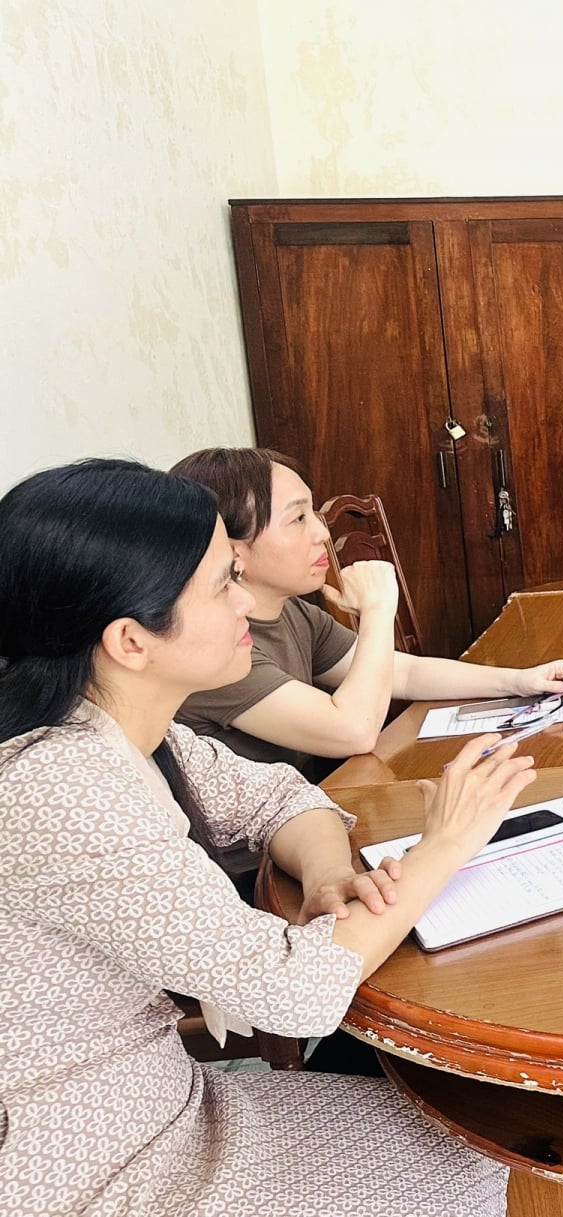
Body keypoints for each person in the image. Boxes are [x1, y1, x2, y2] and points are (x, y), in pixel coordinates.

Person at [0, 458, 535, 1216]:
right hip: (95, 1170)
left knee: (485, 1136)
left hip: (169, 1106)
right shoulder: (63, 788)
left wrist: (327, 876)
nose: (247, 601)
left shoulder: (122, 732)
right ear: (130, 640)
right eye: (224, 583)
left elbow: (279, 795)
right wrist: (445, 843)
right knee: (490, 1152)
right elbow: (295, 993)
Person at [170, 448, 563, 789]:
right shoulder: (214, 646)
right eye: (298, 519)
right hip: (256, 858)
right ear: (232, 550)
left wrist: (519, 682)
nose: (322, 533)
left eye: (313, 513)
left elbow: (404, 673)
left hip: (312, 816)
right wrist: (378, 610)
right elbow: (353, 730)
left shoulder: (291, 612)